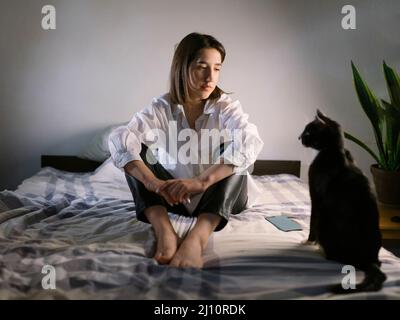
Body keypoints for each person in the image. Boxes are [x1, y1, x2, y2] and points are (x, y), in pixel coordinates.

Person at [109, 32, 264, 268]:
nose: (210, 77)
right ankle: (165, 232)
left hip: (220, 197)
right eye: (202, 67)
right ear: (183, 67)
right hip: (173, 196)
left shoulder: (225, 107)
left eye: (217, 68)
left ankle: (197, 238)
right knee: (131, 151)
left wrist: (202, 181)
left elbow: (250, 140)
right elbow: (121, 139)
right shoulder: (161, 107)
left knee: (235, 150)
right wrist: (153, 182)